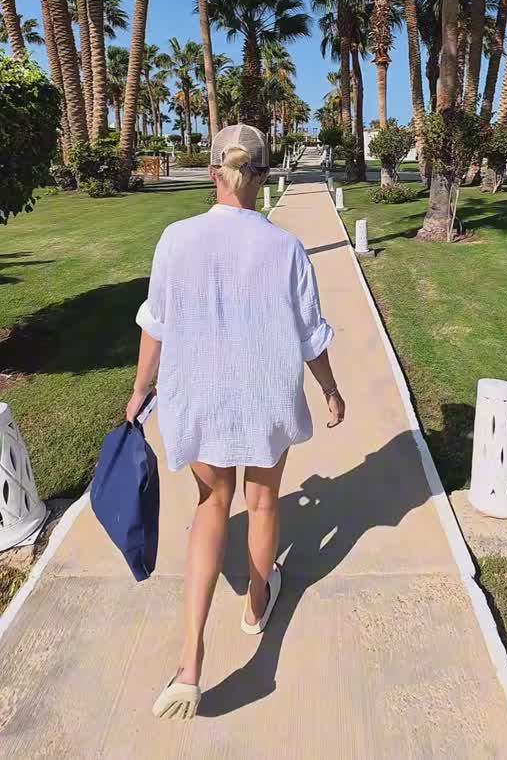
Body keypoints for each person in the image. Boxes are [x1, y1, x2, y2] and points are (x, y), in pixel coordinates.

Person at [125, 124, 345, 720]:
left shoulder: (176, 239)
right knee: (263, 503)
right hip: (265, 396)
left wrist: (140, 391)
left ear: (213, 172)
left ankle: (189, 662)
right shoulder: (286, 247)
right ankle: (256, 602)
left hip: (199, 396)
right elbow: (310, 336)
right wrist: (330, 391)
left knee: (211, 506)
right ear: (264, 175)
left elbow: (156, 324)